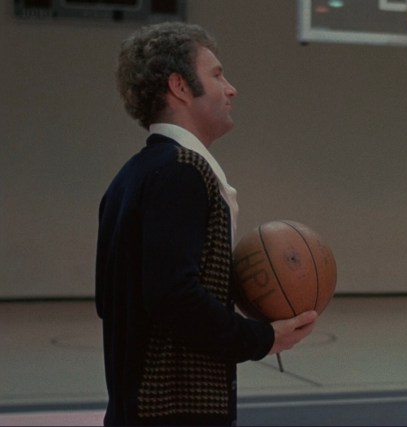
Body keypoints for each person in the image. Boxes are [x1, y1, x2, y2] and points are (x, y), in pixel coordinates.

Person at [96, 22, 318, 426]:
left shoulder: (130, 176)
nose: (231, 89)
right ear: (180, 86)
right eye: (217, 75)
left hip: (135, 406)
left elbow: (114, 301)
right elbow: (173, 296)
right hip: (173, 410)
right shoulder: (183, 170)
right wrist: (263, 338)